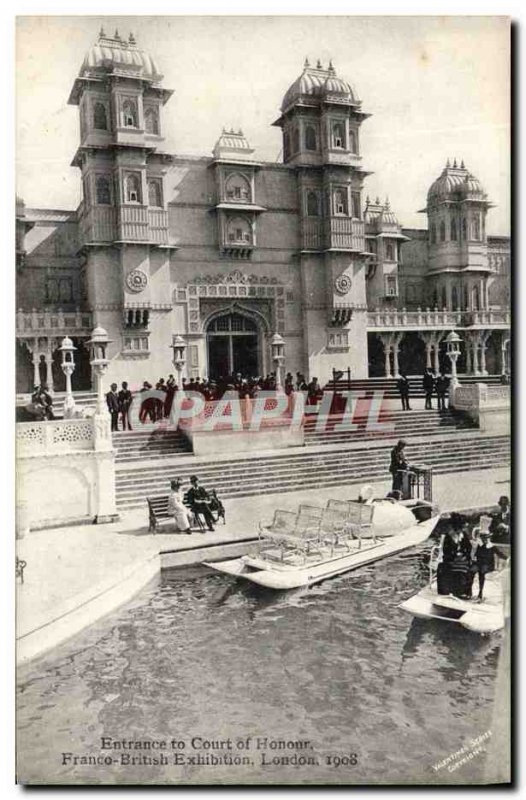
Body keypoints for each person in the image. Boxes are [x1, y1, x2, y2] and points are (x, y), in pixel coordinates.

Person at [472, 516, 508, 601]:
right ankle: (470, 591)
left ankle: (480, 593)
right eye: (483, 537)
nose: (484, 539)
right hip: (479, 563)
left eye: (486, 537)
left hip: (487, 565)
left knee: (482, 572)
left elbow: (499, 554)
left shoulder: (491, 546)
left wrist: (507, 558)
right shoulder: (479, 545)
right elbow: (474, 553)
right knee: (471, 571)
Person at [437, 513, 473, 598]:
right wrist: (455, 555)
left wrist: (464, 555)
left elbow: (469, 547)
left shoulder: (463, 535)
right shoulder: (449, 536)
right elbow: (446, 551)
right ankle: (454, 590)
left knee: (467, 568)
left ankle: (463, 591)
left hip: (462, 558)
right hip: (451, 559)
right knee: (453, 568)